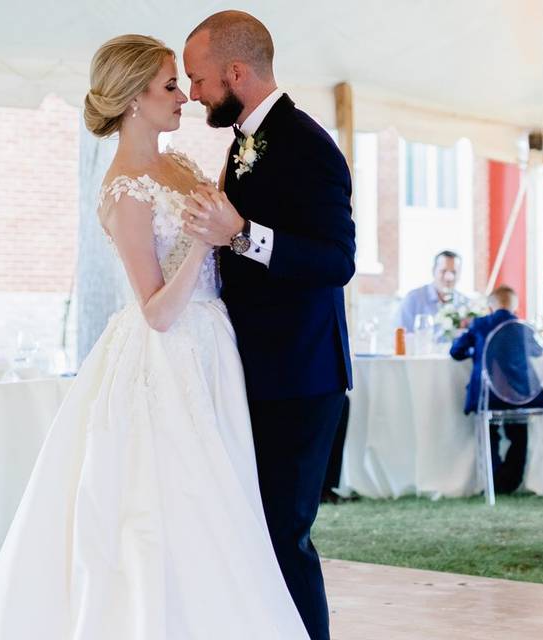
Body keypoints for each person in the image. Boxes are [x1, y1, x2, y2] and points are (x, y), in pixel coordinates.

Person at [0, 33, 309, 639]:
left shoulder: (179, 165)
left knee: (228, 504)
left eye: (182, 83)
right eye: (170, 86)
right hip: (167, 357)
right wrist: (203, 239)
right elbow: (155, 311)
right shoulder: (124, 190)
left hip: (214, 351)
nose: (185, 97)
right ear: (131, 100)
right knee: (172, 506)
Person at [182, 11, 355, 640]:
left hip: (300, 377)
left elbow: (338, 259)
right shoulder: (245, 139)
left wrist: (245, 236)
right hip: (252, 373)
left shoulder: (307, 144)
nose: (194, 92)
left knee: (285, 535)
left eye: (198, 79)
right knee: (250, 534)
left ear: (236, 71)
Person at [450, 286, 543, 493]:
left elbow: (455, 352)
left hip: (488, 396)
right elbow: (538, 351)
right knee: (519, 432)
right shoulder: (523, 327)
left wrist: (477, 350)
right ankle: (511, 480)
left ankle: (493, 480)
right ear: (515, 307)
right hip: (520, 396)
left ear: (490, 307)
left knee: (489, 433)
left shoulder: (480, 324)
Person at [398, 250, 467, 331]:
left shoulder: (465, 303)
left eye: (453, 272)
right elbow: (402, 336)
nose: (448, 277)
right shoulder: (413, 299)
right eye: (443, 271)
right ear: (433, 271)